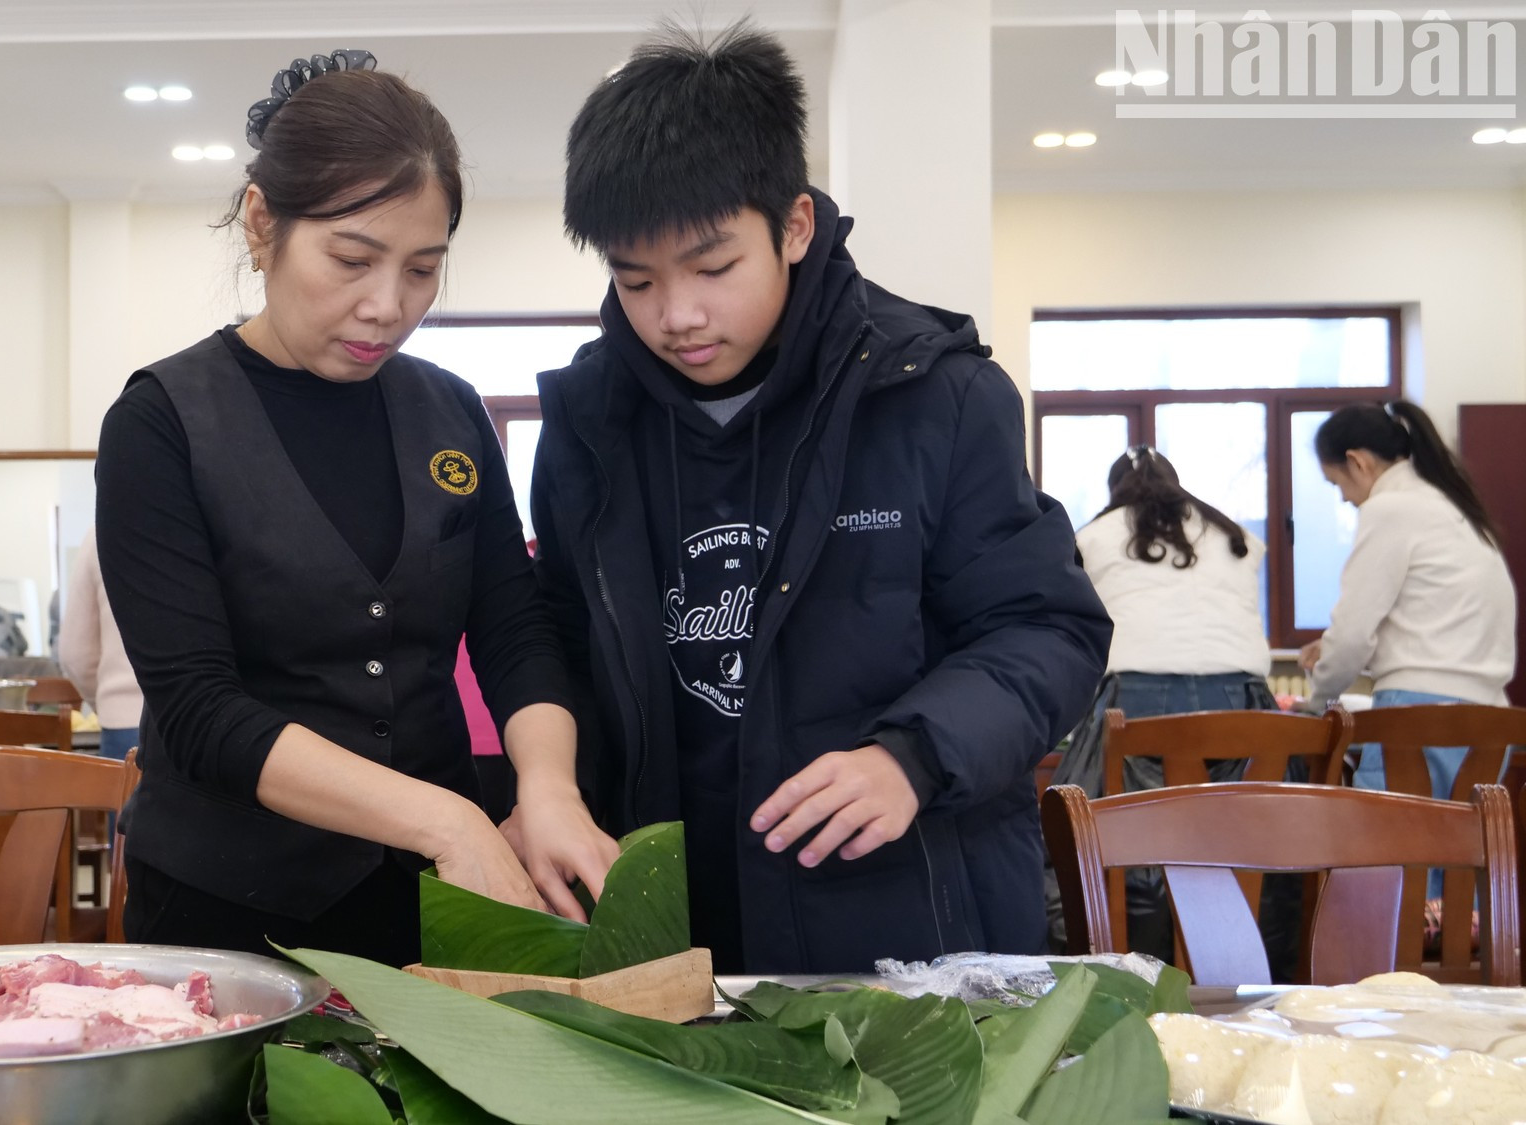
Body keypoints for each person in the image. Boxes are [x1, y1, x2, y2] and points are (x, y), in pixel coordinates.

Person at [531, 24, 1111, 973]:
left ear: (794, 226)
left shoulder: (934, 393)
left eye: (713, 268)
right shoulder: (591, 420)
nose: (677, 315)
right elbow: (556, 634)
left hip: (910, 921)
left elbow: (1048, 628)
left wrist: (912, 757)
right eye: (637, 280)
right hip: (668, 932)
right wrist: (545, 787)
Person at [95, 49, 619, 965]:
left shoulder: (449, 410)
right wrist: (446, 820)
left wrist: (548, 788)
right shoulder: (163, 421)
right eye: (352, 259)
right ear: (263, 223)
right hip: (229, 907)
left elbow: (514, 629)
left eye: (423, 269)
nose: (387, 306)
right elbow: (200, 709)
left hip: (429, 903)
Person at [1056, 446, 1275, 961]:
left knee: (1121, 838)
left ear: (1115, 491)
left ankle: (1137, 962)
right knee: (1236, 839)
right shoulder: (1237, 537)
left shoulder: (1092, 535)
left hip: (1134, 702)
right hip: (1243, 704)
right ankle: (1236, 959)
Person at [1303, 401, 1517, 803]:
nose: (1344, 499)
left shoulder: (1390, 509)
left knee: (1381, 844)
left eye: (1336, 484)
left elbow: (1352, 635)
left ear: (1358, 462)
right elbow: (1436, 618)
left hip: (1419, 718)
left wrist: (1314, 704)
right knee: (1457, 844)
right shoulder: (1453, 508)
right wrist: (1335, 647)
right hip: (1490, 718)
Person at [58, 526, 139, 764]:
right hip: (215, 720)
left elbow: (75, 655)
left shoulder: (103, 531)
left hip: (125, 720)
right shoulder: (222, 519)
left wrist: (109, 703)